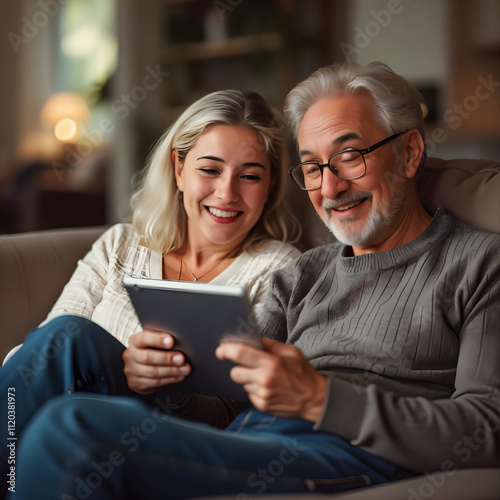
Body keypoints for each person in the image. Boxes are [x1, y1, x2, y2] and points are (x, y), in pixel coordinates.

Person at [8, 61, 500, 500]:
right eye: (312, 167)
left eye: (350, 156)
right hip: (249, 440)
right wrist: (163, 386)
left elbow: (486, 429)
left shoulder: (480, 265)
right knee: (66, 340)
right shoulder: (304, 274)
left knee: (71, 428)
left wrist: (322, 399)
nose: (330, 188)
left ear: (410, 154)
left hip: (349, 454)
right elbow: (224, 407)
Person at [0, 89, 302, 487]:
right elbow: (40, 354)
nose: (227, 193)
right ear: (179, 169)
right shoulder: (121, 244)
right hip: (71, 421)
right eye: (209, 170)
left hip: (180, 434)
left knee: (71, 337)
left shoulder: (280, 268)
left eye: (249, 176)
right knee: (64, 337)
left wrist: (170, 386)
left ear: (270, 184)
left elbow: (240, 411)